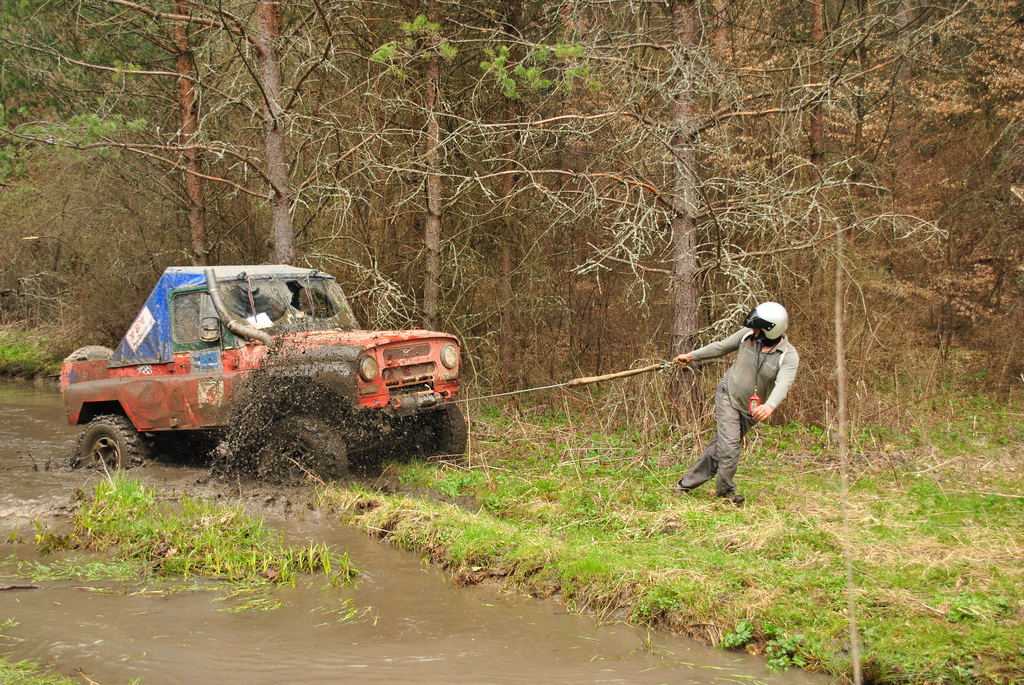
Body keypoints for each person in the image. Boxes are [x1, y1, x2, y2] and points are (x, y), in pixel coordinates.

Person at [672, 302, 799, 505]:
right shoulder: (747, 335)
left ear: (771, 329)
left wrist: (770, 405)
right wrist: (692, 356)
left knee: (720, 446)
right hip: (728, 394)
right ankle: (726, 492)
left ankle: (685, 484)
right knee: (730, 445)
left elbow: (783, 384)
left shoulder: (788, 356)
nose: (753, 330)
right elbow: (721, 347)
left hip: (751, 411)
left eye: (758, 328)